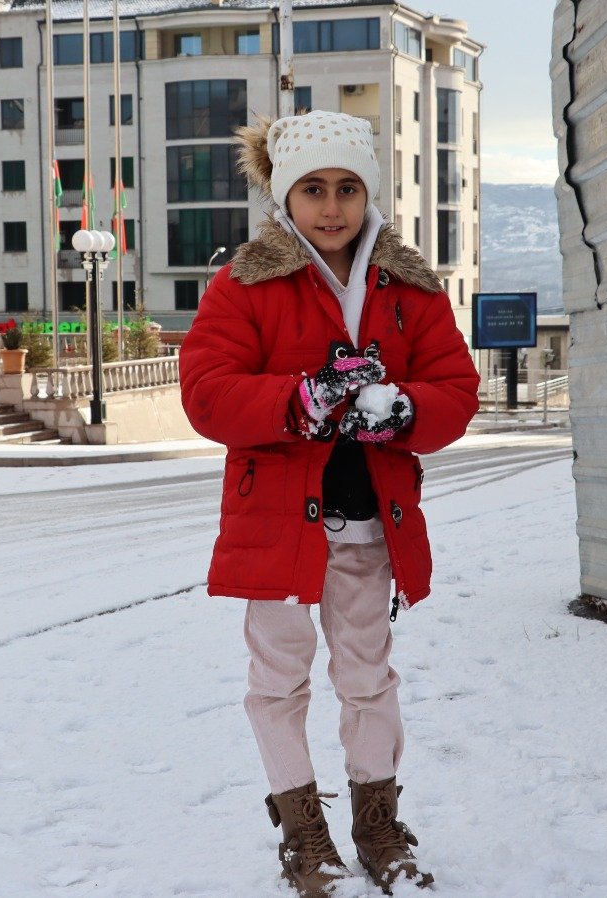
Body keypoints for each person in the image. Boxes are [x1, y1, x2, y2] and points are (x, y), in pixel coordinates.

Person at [179, 110, 479, 897]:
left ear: (369, 191)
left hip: (371, 524)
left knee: (368, 679)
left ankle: (378, 828)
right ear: (286, 196)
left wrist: (404, 409)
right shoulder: (246, 281)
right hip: (273, 525)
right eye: (313, 189)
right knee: (278, 682)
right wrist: (301, 399)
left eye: (348, 187)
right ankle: (303, 834)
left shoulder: (410, 288)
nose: (333, 205)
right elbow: (207, 394)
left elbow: (456, 388)